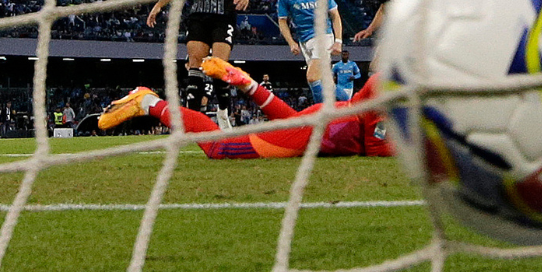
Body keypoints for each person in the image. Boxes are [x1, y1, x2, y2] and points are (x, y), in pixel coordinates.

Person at [97, 57, 391, 159]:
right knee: (218, 148)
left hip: (329, 125)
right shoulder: (391, 86)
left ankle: (246, 83)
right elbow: (376, 146)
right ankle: (148, 102)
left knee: (291, 122)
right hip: (325, 129)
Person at [276, 0, 343, 104]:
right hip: (304, 41)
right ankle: (348, 100)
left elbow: (335, 15)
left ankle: (318, 113)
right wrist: (291, 43)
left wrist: (338, 41)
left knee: (312, 76)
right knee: (325, 83)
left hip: (323, 36)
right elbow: (282, 21)